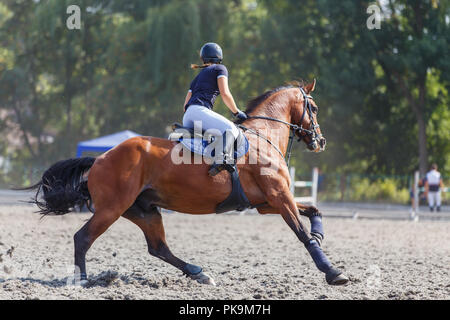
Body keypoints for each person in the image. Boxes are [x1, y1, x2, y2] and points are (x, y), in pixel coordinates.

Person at [182, 42, 247, 176]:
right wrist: (236, 112)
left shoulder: (196, 78)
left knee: (219, 136)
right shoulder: (220, 68)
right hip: (199, 111)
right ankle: (221, 160)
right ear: (219, 57)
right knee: (231, 130)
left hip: (188, 116)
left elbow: (185, 106)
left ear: (203, 58)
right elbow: (225, 93)